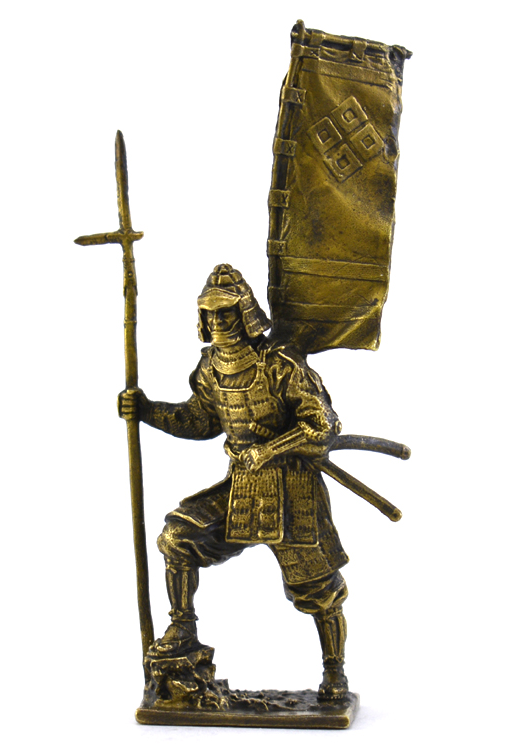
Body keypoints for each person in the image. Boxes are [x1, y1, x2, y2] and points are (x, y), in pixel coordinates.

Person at [119, 264, 350, 700]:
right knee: (178, 536)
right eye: (210, 313)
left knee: (318, 588)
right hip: (242, 487)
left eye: (226, 311)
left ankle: (334, 671)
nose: (218, 321)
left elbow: (324, 424)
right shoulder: (209, 368)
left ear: (245, 312)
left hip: (293, 491)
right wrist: (147, 411)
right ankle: (182, 628)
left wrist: (269, 450)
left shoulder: (280, 364)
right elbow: (200, 420)